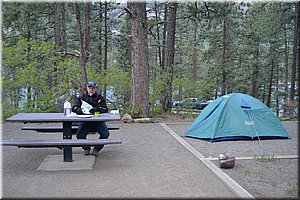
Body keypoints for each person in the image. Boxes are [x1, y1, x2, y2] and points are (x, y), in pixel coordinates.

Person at [72, 81, 109, 157]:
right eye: (89, 88)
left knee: (105, 134)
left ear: (95, 89)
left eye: (93, 88)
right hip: (85, 121)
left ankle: (97, 149)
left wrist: (97, 109)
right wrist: (77, 110)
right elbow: (74, 107)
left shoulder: (100, 98)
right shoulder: (82, 97)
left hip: (97, 121)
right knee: (79, 135)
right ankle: (86, 148)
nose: (91, 90)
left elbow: (105, 109)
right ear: (87, 88)